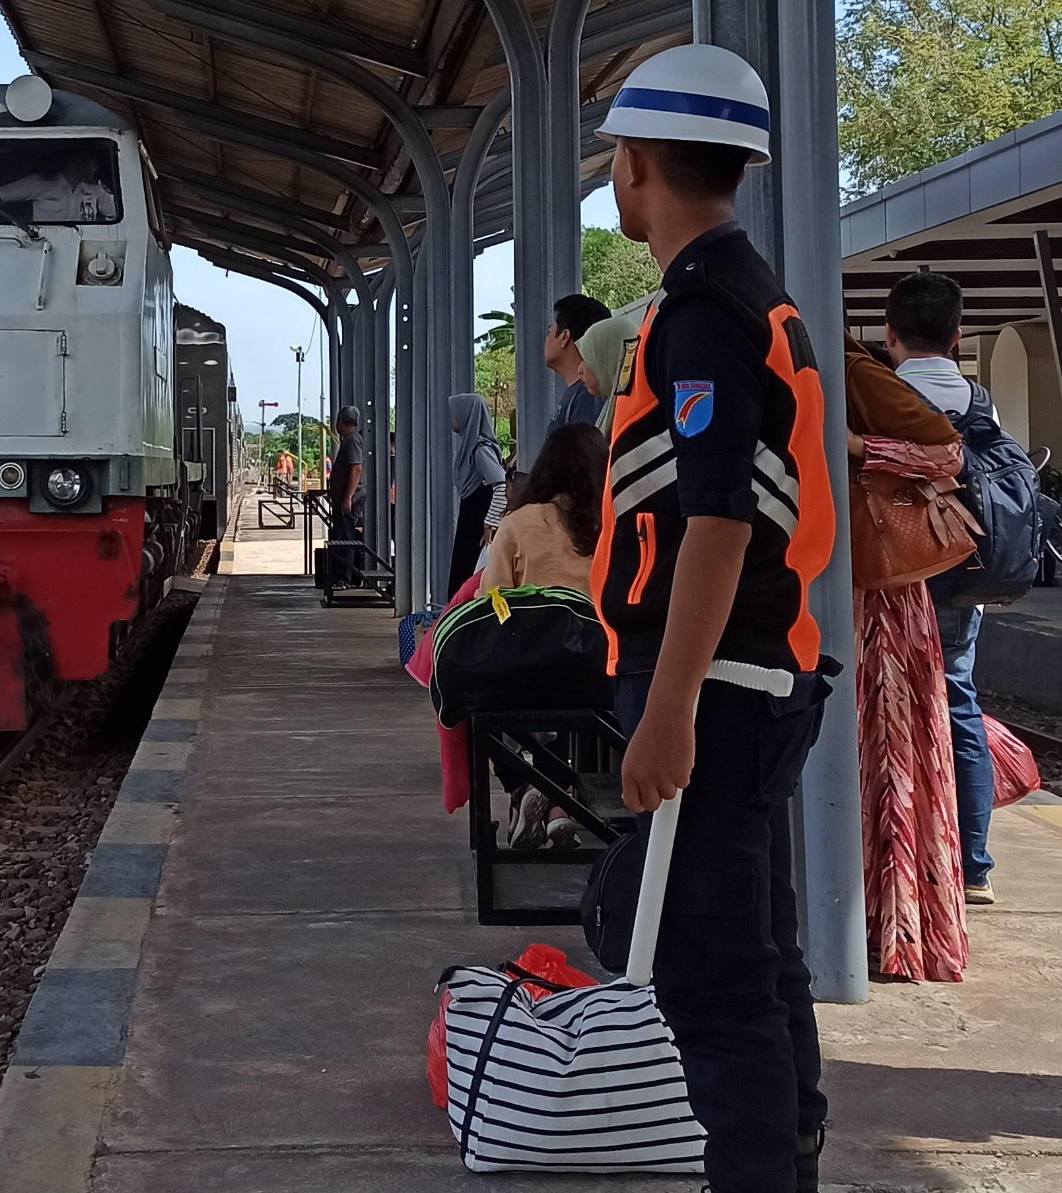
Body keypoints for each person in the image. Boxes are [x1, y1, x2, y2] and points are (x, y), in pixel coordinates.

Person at [595, 43, 836, 1193]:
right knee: (762, 953)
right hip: (753, 673)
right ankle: (785, 1161)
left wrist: (669, 711)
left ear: (636, 166)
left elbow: (717, 521)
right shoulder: (753, 294)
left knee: (712, 972)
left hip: (719, 683)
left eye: (613, 157)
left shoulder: (704, 313)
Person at [842, 332, 968, 980]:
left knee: (891, 758)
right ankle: (885, 928)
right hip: (855, 594)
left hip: (880, 600)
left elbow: (947, 451)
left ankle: (900, 936)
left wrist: (863, 450)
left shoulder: (854, 372)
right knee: (875, 762)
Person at [884, 271, 998, 906]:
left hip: (899, 576)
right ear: (957, 338)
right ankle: (974, 865)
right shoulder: (980, 401)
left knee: (896, 716)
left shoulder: (881, 396)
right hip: (965, 576)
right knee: (960, 708)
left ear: (891, 334)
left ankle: (913, 859)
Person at [482, 422, 610, 849]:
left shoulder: (519, 524)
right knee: (571, 710)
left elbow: (490, 604)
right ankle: (556, 808)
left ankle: (526, 790)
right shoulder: (613, 526)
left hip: (531, 671)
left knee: (475, 706)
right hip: (603, 676)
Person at [447, 392, 507, 593]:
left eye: (455, 414)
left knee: (466, 570)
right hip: (473, 516)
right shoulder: (472, 446)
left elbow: (501, 484)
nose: (452, 419)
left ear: (467, 415)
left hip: (477, 520)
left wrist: (491, 521)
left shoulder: (480, 449)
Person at [545, 293, 615, 435]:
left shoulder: (589, 396)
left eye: (549, 331)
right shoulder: (581, 393)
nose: (546, 339)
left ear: (565, 336)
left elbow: (583, 455)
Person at [0, 148, 119, 223]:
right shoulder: (39, 183)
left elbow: (118, 215)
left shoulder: (97, 190)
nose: (97, 166)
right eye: (92, 160)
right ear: (75, 159)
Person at [575, 313, 642, 436]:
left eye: (586, 359)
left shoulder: (634, 427)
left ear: (607, 360)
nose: (579, 369)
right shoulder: (613, 412)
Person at [330, 406, 368, 580]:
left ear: (340, 421)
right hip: (346, 498)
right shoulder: (350, 440)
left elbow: (356, 469)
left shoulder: (352, 441)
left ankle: (344, 577)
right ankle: (342, 575)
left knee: (345, 538)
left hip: (350, 500)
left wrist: (347, 497)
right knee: (341, 537)